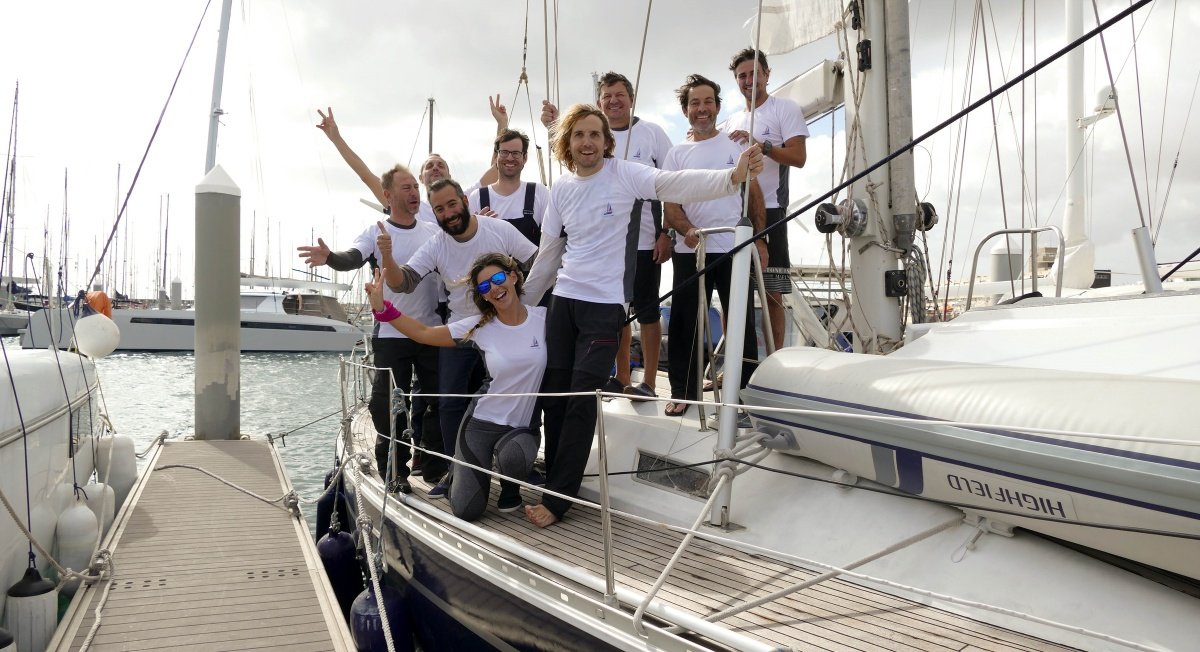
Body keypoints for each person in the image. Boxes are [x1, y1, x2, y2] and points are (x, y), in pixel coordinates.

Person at [522, 103, 763, 528]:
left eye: (595, 134)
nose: (587, 142)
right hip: (564, 300)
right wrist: (522, 305)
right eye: (579, 134)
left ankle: (559, 497)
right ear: (568, 142)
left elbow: (673, 182)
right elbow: (549, 253)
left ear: (606, 141)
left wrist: (732, 177)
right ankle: (554, 473)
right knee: (555, 394)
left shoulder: (624, 174)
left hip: (603, 306)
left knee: (581, 399)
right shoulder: (560, 189)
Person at [385, 178, 538, 498]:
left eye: (452, 204)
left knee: (512, 401)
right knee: (450, 406)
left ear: (464, 202)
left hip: (502, 328)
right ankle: (457, 471)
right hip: (462, 332)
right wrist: (387, 258)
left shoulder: (499, 230)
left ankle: (515, 479)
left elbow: (536, 261)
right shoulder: (438, 243)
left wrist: (526, 308)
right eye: (439, 209)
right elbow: (405, 283)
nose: (448, 213)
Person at [365, 253, 545, 521]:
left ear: (513, 276)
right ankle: (462, 479)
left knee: (513, 456)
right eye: (485, 287)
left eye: (498, 279)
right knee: (466, 510)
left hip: (522, 427)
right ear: (483, 296)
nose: (494, 288)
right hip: (480, 423)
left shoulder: (544, 319)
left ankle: (511, 488)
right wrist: (383, 308)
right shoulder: (480, 327)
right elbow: (423, 334)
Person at [297, 165, 443, 489]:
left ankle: (434, 468)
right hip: (392, 333)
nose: (414, 193)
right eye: (406, 188)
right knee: (387, 406)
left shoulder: (432, 233)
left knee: (438, 399)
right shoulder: (375, 232)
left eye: (415, 187)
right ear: (388, 195)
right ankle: (394, 473)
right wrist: (330, 257)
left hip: (430, 330)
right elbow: (352, 256)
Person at [541, 72, 672, 398]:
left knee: (648, 310)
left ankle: (650, 383)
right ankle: (622, 376)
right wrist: (553, 125)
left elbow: (671, 184)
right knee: (616, 313)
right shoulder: (592, 136)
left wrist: (666, 232)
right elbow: (570, 153)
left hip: (644, 242)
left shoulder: (652, 133)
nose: (613, 101)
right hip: (606, 248)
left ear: (630, 98)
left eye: (619, 95)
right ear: (599, 103)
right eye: (607, 96)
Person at [663, 74, 766, 416]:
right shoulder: (676, 155)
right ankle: (683, 392)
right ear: (686, 110)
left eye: (708, 102)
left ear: (718, 107)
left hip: (733, 249)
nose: (702, 109)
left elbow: (754, 197)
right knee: (684, 325)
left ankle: (743, 396)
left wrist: (760, 240)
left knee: (741, 325)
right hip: (690, 251)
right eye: (695, 103)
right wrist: (688, 230)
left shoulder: (735, 147)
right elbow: (671, 206)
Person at [726, 48, 809, 351]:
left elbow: (798, 157)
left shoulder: (784, 109)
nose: (748, 80)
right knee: (735, 294)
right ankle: (738, 364)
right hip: (737, 213)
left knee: (773, 293)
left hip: (773, 210)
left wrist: (762, 146)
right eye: (742, 76)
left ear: (767, 75)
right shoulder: (732, 119)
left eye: (753, 73)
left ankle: (774, 361)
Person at [314, 95, 509, 221]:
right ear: (421, 178)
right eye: (429, 166)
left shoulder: (468, 197)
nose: (435, 168)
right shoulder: (408, 204)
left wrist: (502, 123)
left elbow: (497, 168)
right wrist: (336, 139)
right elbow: (366, 176)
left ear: (450, 175)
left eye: (441, 165)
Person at [468, 129, 548, 246]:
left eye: (516, 153)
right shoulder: (477, 197)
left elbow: (551, 238)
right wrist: (477, 230)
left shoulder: (539, 192)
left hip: (532, 264)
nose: (510, 158)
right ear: (496, 156)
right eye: (504, 152)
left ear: (525, 158)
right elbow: (469, 244)